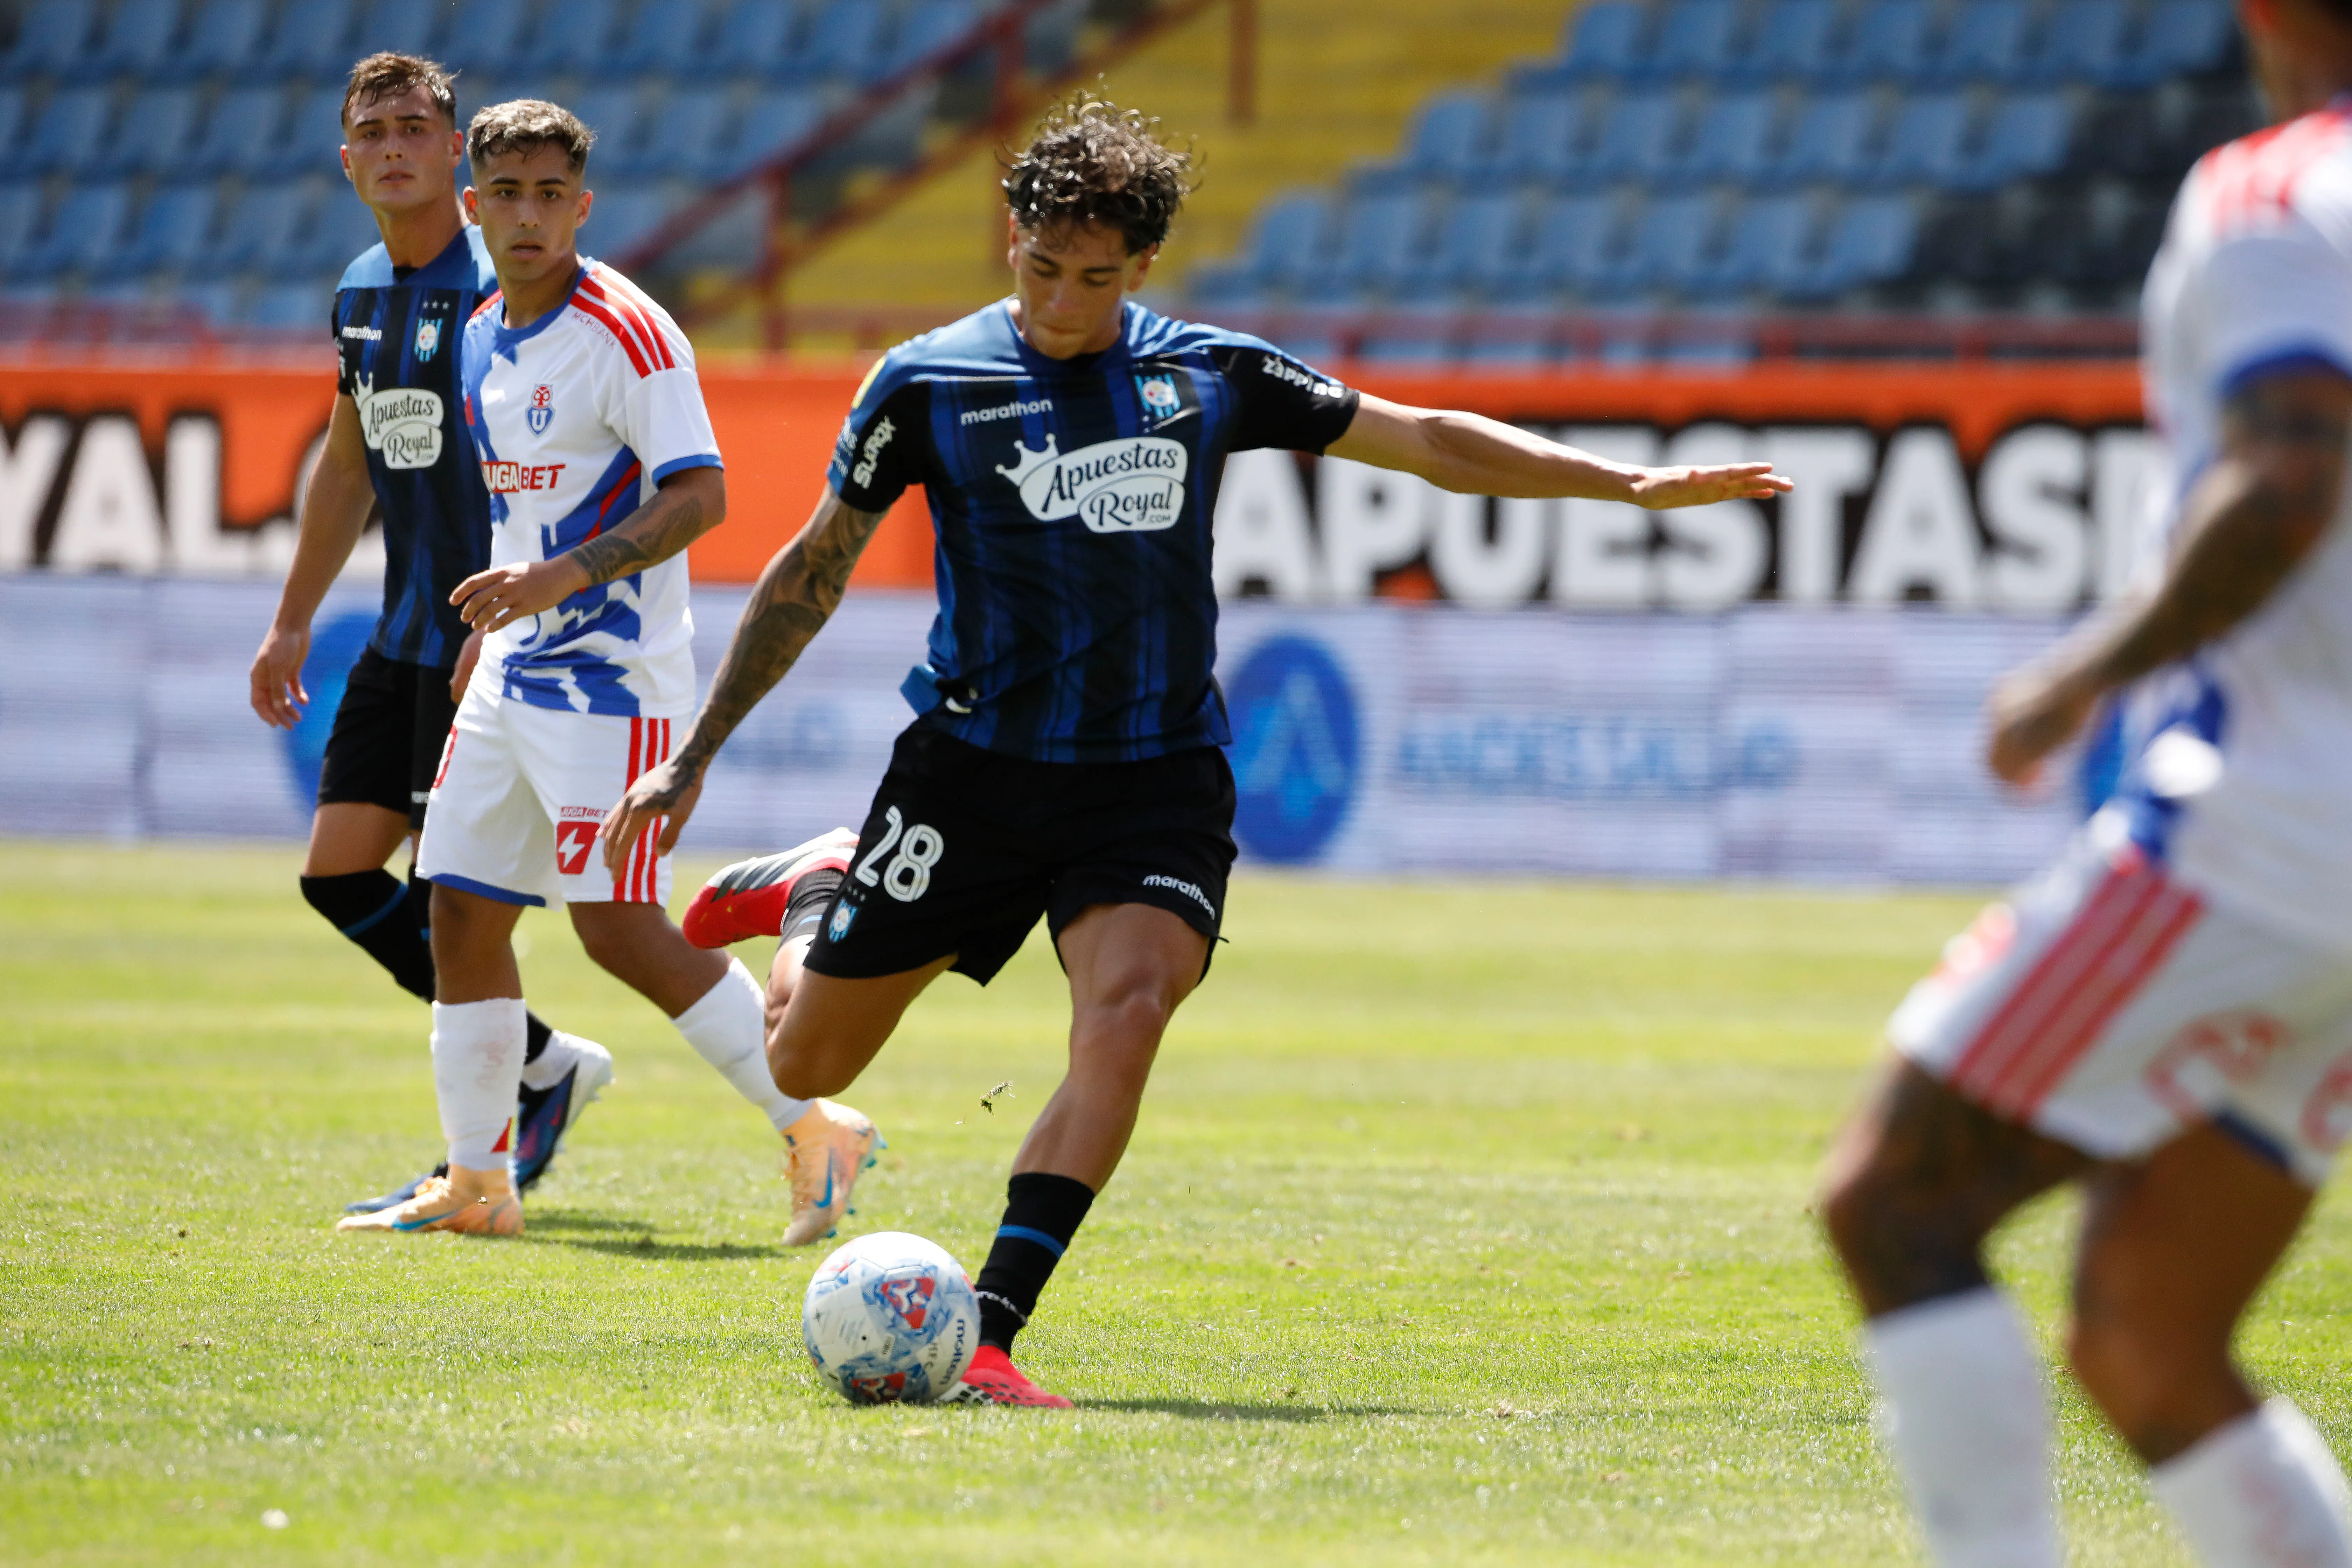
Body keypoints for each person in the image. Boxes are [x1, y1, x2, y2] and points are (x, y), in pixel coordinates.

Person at [605, 96, 1791, 1402]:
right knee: (803, 1064)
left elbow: (1428, 443)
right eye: (1043, 267)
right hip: (973, 771)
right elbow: (812, 570)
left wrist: (1623, 485)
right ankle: (823, 884)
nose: (1064, 299)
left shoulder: (1209, 373)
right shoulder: (930, 383)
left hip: (1155, 778)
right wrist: (700, 749)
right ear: (1011, 238)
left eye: (1097, 278)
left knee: (1128, 1013)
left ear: (1144, 267)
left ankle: (992, 1335)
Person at [1819, 1, 2352, 1560]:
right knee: (2149, 1341)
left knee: (1896, 1206)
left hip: (2272, 830)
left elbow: (2289, 470)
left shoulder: (2276, 194)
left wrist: (2080, 673)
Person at [337, 97, 877, 1239]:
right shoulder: (483, 328)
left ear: (583, 207)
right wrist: (499, 611)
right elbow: (516, 500)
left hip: (615, 682)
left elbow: (702, 495)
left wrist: (559, 582)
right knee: (462, 917)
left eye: (552, 196)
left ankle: (816, 1126)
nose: (529, 217)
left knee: (617, 928)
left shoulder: (632, 332)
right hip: (513, 668)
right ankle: (481, 1186)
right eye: (508, 196)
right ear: (473, 207)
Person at [247, 54, 608, 1217]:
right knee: (341, 878)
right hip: (405, 637)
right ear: (345, 157)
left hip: (489, 638)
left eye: (417, 126)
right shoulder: (358, 289)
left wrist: (533, 608)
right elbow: (347, 462)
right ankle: (549, 1064)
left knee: (465, 904)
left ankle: (482, 1159)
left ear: (457, 153)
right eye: (374, 130)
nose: (395, 145)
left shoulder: (504, 284)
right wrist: (292, 620)